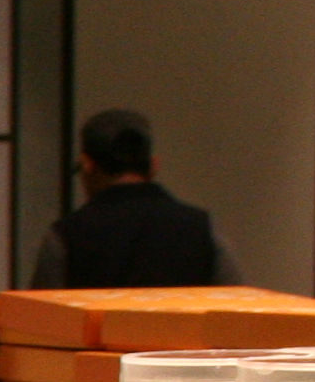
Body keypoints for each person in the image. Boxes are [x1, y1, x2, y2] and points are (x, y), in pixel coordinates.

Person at [26, 109, 237, 288]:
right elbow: (235, 306)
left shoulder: (66, 236)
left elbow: (39, 321)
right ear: (154, 165)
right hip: (182, 338)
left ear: (87, 165)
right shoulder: (202, 228)